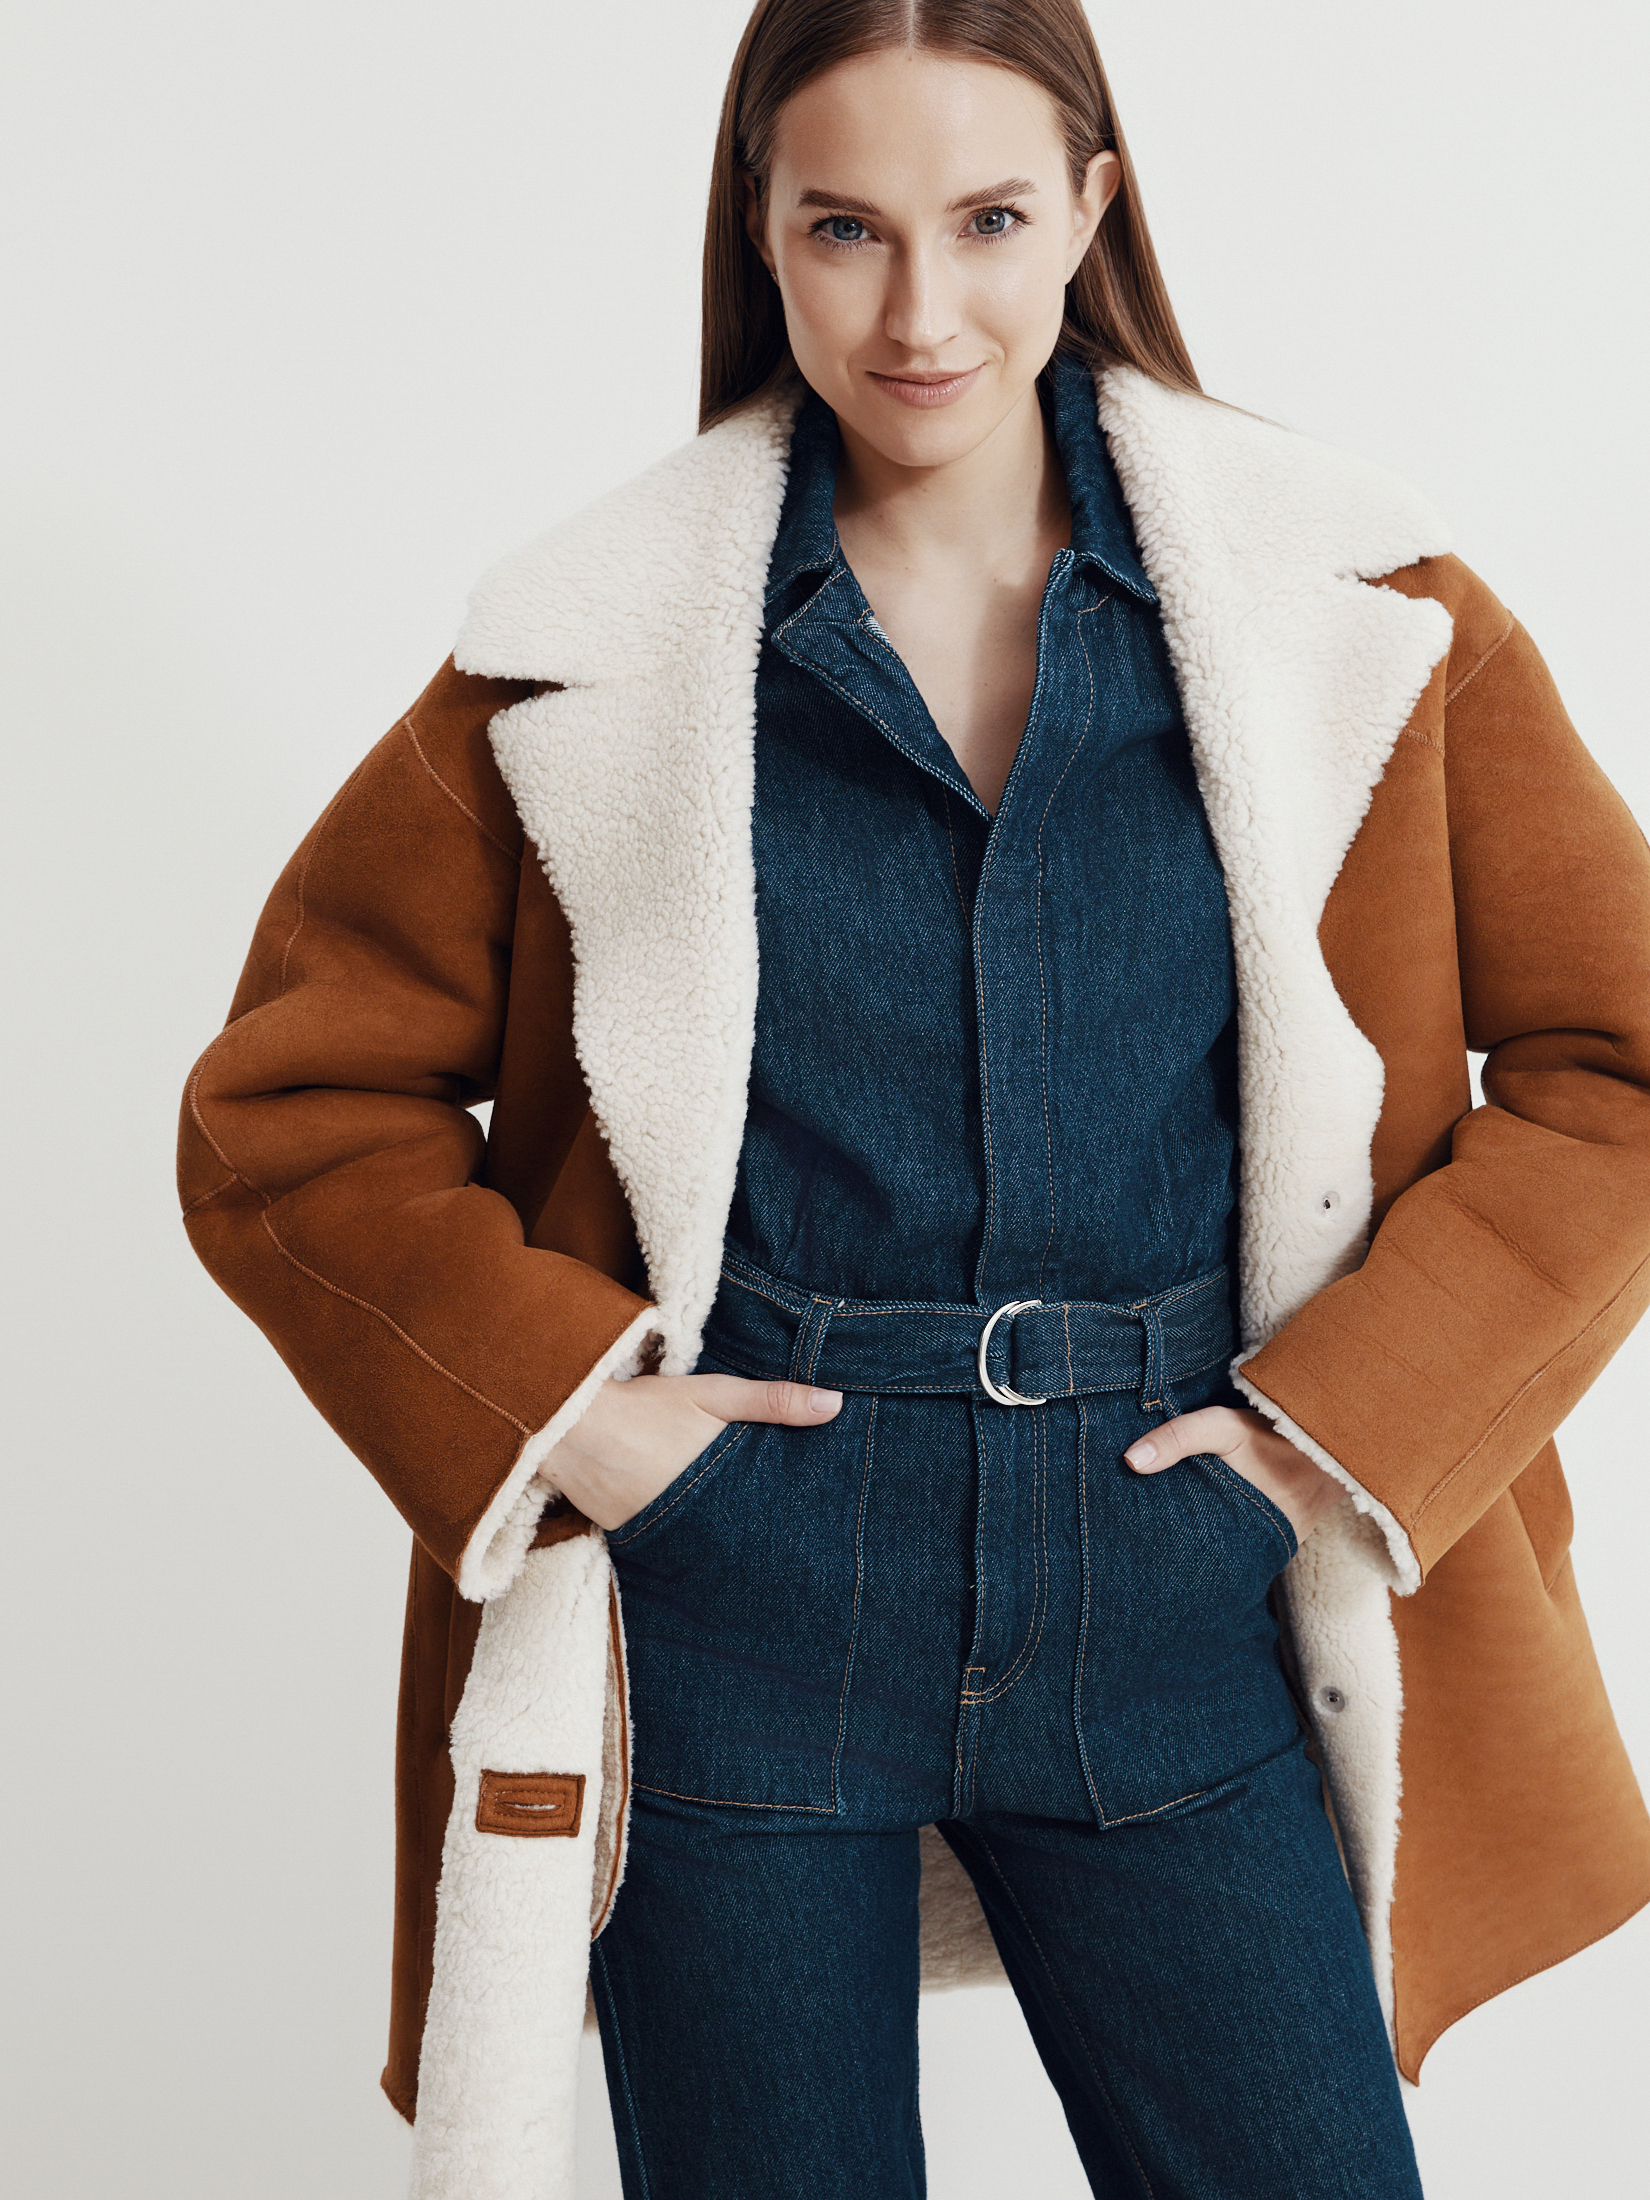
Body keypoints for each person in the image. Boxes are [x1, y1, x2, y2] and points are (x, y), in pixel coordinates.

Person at [178, 2, 1650, 2194]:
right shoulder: (587, 652)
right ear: (758, 228)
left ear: (1092, 209)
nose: (920, 313)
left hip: (1179, 1549)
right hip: (746, 1579)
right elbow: (287, 1117)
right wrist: (586, 1422)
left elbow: (1618, 1060)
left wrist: (1321, 1437)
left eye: (987, 220)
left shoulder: (1350, 608)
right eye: (844, 228)